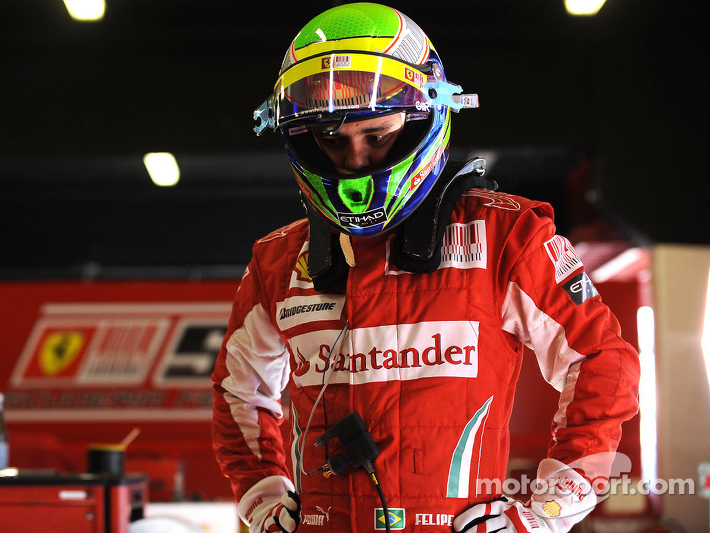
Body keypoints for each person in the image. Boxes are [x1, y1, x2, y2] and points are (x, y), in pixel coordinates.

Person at [211, 3, 640, 532]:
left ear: (428, 118)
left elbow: (602, 361)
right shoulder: (278, 260)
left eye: (378, 134)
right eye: (330, 139)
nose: (356, 160)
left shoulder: (508, 236)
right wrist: (261, 494)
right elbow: (237, 390)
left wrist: (548, 512)